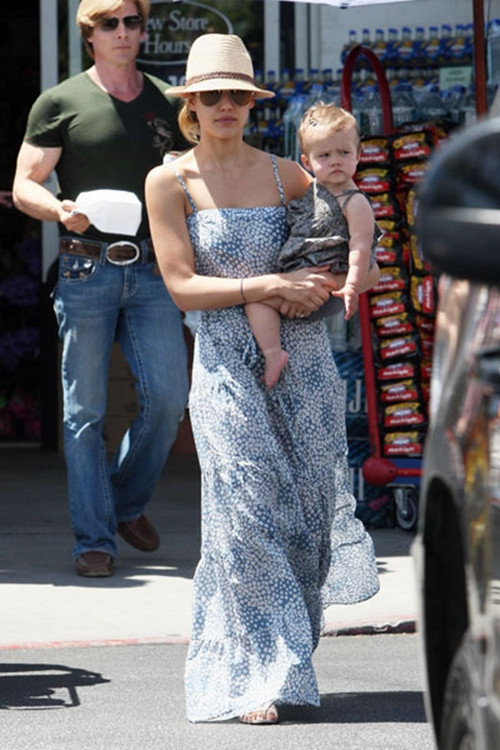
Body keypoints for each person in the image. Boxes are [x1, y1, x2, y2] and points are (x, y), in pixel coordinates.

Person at [145, 33, 380, 725]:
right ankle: (256, 676)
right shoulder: (169, 181)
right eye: (211, 95)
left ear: (252, 104)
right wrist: (269, 284)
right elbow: (181, 286)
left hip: (303, 361)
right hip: (224, 363)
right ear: (191, 105)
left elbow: (349, 253)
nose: (225, 105)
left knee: (305, 517)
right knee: (245, 514)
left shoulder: (289, 175)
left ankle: (288, 656)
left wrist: (327, 282)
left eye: (238, 95)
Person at [12, 0, 190, 578]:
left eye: (131, 22)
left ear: (143, 30)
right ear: (89, 34)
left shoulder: (169, 101)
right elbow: (24, 183)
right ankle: (94, 539)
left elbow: (193, 178)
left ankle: (124, 502)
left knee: (170, 398)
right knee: (84, 412)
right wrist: (59, 209)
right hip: (85, 265)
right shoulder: (61, 102)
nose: (122, 32)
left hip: (153, 267)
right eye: (109, 23)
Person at [245, 103, 382, 387]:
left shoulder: (354, 201)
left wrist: (349, 286)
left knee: (257, 299)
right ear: (307, 162)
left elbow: (361, 247)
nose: (335, 161)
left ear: (359, 155)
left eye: (344, 153)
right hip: (300, 277)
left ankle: (273, 354)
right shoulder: (311, 190)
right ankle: (274, 352)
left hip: (327, 285)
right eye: (325, 155)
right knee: (262, 299)